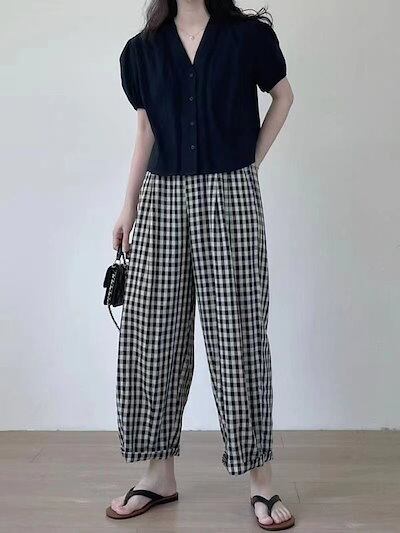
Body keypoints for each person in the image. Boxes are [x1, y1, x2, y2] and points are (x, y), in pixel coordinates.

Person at [107, 0, 294, 530]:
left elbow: (283, 96)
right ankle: (157, 475)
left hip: (229, 196)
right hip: (161, 198)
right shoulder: (141, 51)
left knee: (238, 335)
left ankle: (261, 482)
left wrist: (248, 162)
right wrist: (128, 206)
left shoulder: (247, 37)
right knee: (152, 335)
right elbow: (146, 132)